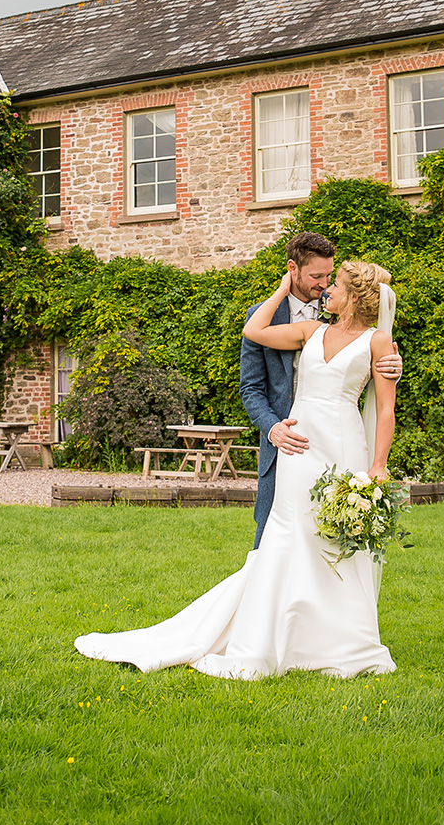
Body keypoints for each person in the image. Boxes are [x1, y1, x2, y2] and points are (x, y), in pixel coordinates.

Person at [74, 260, 399, 679]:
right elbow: (255, 331)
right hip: (299, 449)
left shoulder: (379, 343)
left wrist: (377, 467)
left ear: (354, 296)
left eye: (334, 284)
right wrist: (283, 288)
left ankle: (337, 641)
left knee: (333, 539)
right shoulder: (311, 331)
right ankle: (265, 636)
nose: (326, 291)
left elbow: (386, 409)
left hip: (344, 447)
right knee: (288, 535)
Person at [240, 232, 401, 548]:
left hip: (340, 438)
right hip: (287, 444)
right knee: (273, 539)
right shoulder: (272, 317)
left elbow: (371, 368)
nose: (326, 285)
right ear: (293, 269)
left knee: (336, 534)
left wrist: (394, 368)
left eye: (330, 277)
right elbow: (251, 388)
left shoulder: (349, 322)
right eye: (317, 277)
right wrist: (272, 428)